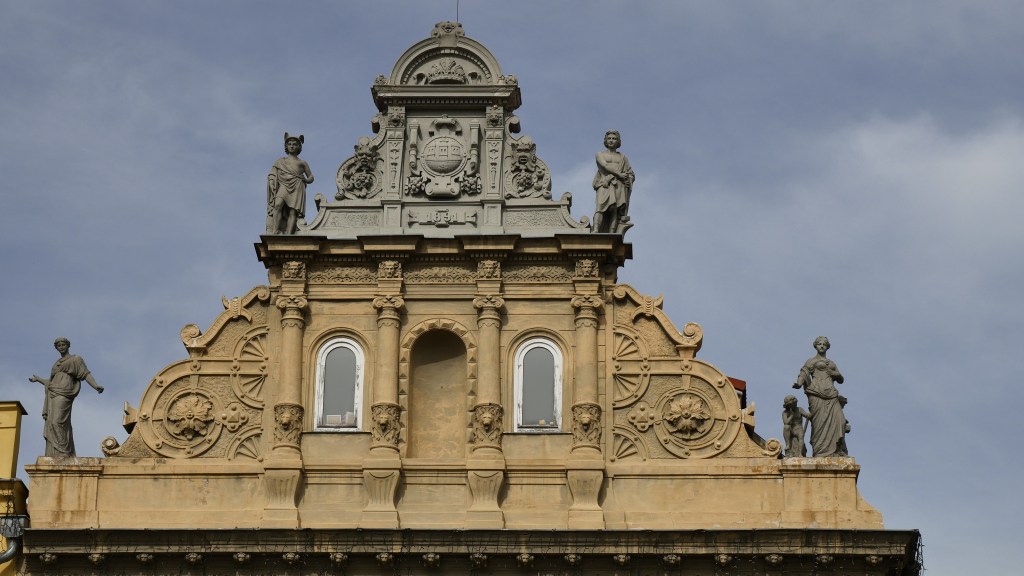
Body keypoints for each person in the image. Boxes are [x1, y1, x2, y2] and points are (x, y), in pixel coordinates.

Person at [29, 337, 104, 458]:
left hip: (65, 393)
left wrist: (96, 386)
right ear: (56, 348)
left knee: (57, 422)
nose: (61, 347)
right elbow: (51, 382)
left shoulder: (76, 359)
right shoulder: (56, 364)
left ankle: (64, 452)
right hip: (53, 393)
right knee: (51, 423)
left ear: (68, 345)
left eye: (63, 345)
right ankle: (55, 453)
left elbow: (86, 374)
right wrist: (39, 379)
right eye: (59, 345)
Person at [792, 336, 849, 457]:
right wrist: (799, 383)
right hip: (816, 394)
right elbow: (804, 372)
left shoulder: (832, 363)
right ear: (815, 346)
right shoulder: (811, 361)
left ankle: (837, 450)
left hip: (832, 395)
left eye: (824, 344)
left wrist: (837, 374)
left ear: (827, 346)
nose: (822, 346)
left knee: (841, 420)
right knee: (819, 423)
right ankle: (820, 452)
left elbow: (841, 379)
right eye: (819, 344)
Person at [267, 133, 314, 234]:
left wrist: (306, 180)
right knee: (278, 205)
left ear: (298, 147)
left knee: (293, 211)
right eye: (290, 144)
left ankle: (289, 234)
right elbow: (272, 173)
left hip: (297, 185)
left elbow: (311, 177)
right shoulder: (280, 161)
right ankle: (274, 231)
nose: (292, 146)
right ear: (286, 146)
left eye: (294, 144)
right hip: (283, 185)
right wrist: (271, 181)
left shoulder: (302, 163)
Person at [592, 130, 634, 233]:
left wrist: (628, 179)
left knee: (614, 209)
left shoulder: (623, 158)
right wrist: (619, 174)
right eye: (609, 138)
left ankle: (612, 233)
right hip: (604, 183)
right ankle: (596, 229)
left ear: (618, 141)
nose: (611, 140)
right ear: (605, 141)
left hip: (618, 185)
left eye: (614, 138)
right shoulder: (599, 154)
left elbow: (630, 173)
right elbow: (605, 166)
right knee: (600, 207)